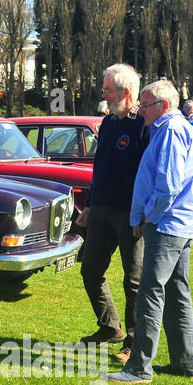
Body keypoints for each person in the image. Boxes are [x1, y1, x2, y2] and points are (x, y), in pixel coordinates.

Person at [109, 80, 193, 384]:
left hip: (168, 225)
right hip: (179, 224)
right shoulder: (173, 129)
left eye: (146, 105)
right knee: (177, 293)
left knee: (150, 292)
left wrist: (148, 217)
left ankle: (138, 368)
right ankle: (183, 364)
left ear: (164, 106)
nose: (140, 111)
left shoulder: (172, 131)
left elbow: (168, 185)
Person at [77, 64, 149, 363]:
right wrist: (89, 206)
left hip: (130, 215)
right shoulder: (107, 124)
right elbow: (100, 169)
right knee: (90, 271)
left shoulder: (143, 125)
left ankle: (133, 341)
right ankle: (110, 327)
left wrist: (140, 214)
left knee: (133, 281)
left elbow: (146, 175)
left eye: (107, 89)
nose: (103, 94)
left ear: (126, 93)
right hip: (101, 211)